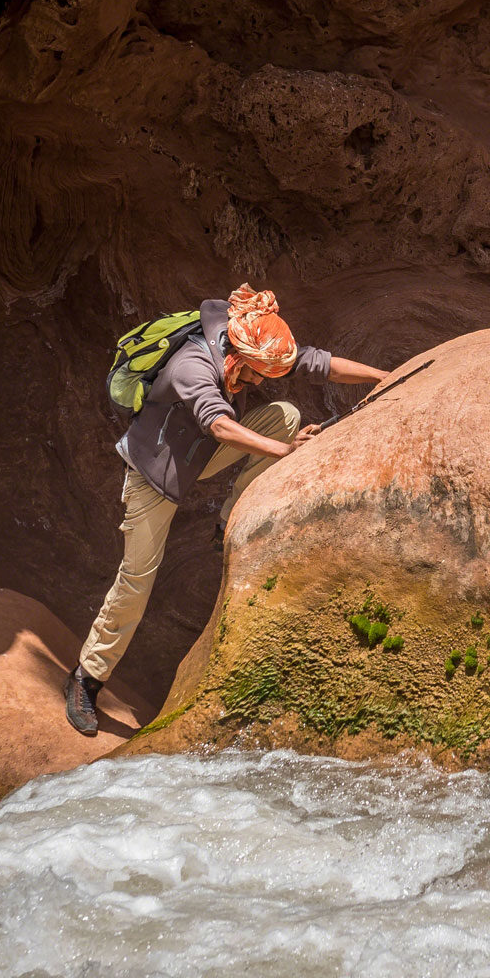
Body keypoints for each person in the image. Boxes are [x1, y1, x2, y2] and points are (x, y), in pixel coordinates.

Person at [65, 283, 388, 734]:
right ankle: (86, 679)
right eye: (256, 375)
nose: (257, 383)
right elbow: (217, 422)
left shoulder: (248, 342)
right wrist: (281, 452)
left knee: (285, 415)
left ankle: (224, 521)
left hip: (196, 453)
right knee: (137, 580)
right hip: (156, 473)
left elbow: (317, 362)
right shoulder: (192, 364)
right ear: (237, 358)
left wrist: (384, 378)